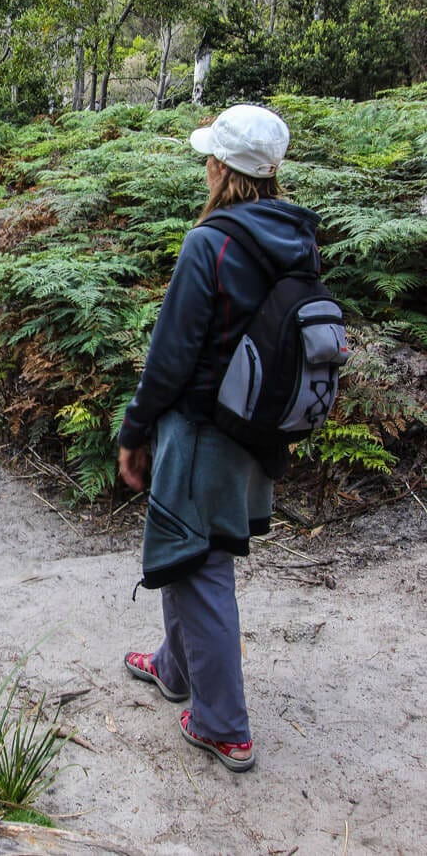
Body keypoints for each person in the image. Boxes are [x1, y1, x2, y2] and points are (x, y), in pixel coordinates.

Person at [118, 103, 322, 773]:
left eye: (209, 157)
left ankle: (222, 724)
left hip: (202, 430)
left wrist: (135, 429)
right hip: (255, 431)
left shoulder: (213, 241)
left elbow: (170, 356)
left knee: (199, 567)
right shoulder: (296, 238)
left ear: (221, 168)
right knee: (193, 553)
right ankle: (176, 666)